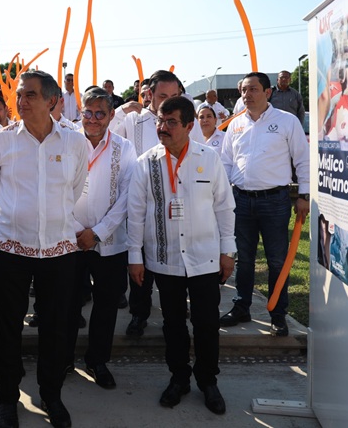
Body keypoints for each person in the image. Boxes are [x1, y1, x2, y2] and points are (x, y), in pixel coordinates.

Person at [0, 70, 88, 428]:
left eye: (30, 94)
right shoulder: (1, 141)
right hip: (9, 248)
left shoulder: (74, 143)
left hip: (58, 250)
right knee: (8, 328)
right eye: (19, 94)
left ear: (52, 100)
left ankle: (51, 395)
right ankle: (6, 398)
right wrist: (22, 219)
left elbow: (75, 189)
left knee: (56, 328)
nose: (21, 101)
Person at [127, 95, 236, 415]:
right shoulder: (146, 162)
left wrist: (228, 251)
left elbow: (224, 206)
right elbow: (136, 212)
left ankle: (208, 380)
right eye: (160, 121)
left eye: (171, 122)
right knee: (173, 324)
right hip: (166, 258)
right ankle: (179, 378)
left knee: (206, 323)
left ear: (189, 126)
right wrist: (135, 256)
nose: (163, 127)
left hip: (205, 257)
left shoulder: (209, 158)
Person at [110, 70, 203, 337]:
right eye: (163, 95)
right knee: (140, 259)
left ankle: (175, 310)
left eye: (174, 95)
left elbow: (199, 153)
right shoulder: (134, 120)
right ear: (150, 94)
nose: (169, 101)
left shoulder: (187, 119)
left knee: (176, 258)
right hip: (143, 201)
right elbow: (109, 136)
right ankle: (139, 313)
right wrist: (120, 111)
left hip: (178, 200)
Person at [219, 72, 310, 337]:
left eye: (253, 89)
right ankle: (242, 307)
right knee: (244, 259)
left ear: (268, 92)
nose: (247, 95)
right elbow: (226, 162)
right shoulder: (235, 124)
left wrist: (304, 195)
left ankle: (278, 314)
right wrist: (222, 196)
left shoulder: (286, 121)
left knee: (277, 260)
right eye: (244, 90)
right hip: (241, 200)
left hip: (275, 201)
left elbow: (302, 159)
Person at [66, 88, 136, 390]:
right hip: (68, 239)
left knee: (106, 304)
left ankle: (97, 360)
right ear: (81, 113)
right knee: (66, 303)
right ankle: (63, 358)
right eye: (88, 112)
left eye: (100, 113)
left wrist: (98, 232)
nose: (93, 119)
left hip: (109, 241)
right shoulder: (66, 142)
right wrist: (76, 230)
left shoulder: (124, 147)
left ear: (111, 116)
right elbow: (54, 190)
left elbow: (127, 195)